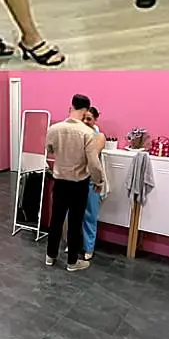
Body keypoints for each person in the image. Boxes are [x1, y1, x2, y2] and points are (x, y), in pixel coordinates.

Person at [44, 94, 105, 272]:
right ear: (86, 111)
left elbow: (50, 149)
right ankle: (72, 262)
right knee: (75, 222)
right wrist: (99, 180)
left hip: (59, 181)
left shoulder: (54, 129)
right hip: (79, 184)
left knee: (56, 219)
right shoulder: (88, 133)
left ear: (70, 107)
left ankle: (50, 256)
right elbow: (93, 162)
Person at [80, 106, 106, 261]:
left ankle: (88, 247)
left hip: (91, 180)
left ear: (95, 119)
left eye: (89, 119)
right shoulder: (78, 133)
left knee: (90, 214)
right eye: (83, 118)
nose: (85, 121)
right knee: (74, 214)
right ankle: (73, 243)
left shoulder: (99, 136)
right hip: (76, 179)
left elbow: (92, 156)